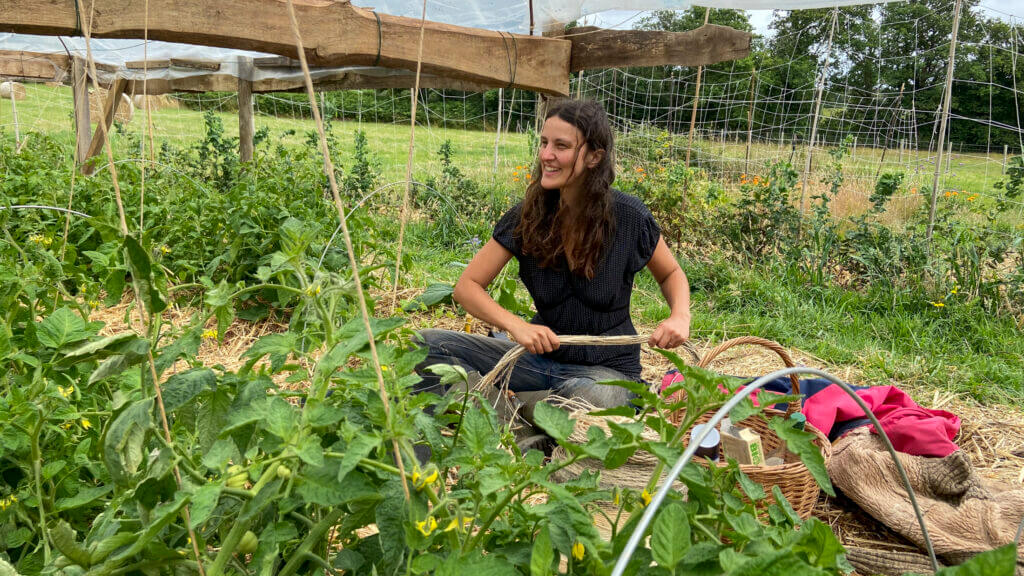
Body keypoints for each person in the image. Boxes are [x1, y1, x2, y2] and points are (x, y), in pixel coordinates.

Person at [416, 99, 690, 408]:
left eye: (561, 146)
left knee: (587, 396)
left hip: (606, 373)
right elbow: (467, 287)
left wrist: (680, 316)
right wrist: (516, 326)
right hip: (536, 364)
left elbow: (671, 273)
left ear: (593, 157)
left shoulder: (628, 217)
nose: (547, 155)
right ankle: (516, 413)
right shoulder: (528, 217)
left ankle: (513, 409)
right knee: (427, 346)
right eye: (544, 143)